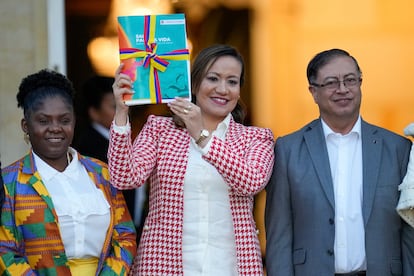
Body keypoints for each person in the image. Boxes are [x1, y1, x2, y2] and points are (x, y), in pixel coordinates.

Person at [108, 44, 275, 275]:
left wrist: (202, 136)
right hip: (164, 266)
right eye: (213, 78)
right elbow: (124, 178)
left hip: (231, 266)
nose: (222, 89)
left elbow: (251, 182)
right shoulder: (160, 129)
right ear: (194, 84)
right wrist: (121, 112)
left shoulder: (255, 137)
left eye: (232, 81)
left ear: (239, 90)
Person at [265, 48, 414, 276]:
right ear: (313, 92)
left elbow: (408, 232)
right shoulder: (288, 150)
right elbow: (279, 236)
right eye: (332, 82)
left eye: (350, 80)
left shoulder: (398, 149)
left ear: (360, 83)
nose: (343, 89)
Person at [0, 69, 137, 275]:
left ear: (74, 122)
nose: (55, 128)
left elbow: (125, 236)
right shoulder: (9, 181)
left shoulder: (102, 173)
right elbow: (5, 251)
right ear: (25, 126)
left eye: (64, 120)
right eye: (43, 121)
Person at [73, 75, 147, 239]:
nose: (123, 109)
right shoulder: (90, 148)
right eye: (115, 106)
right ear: (93, 112)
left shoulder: (127, 139)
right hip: (111, 236)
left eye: (125, 104)